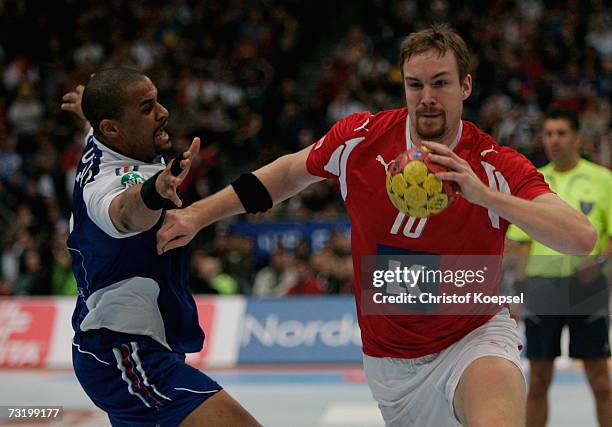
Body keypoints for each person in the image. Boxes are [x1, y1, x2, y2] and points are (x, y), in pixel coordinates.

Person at [157, 26, 596, 427]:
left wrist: (485, 196)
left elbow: (581, 237)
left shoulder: (493, 163)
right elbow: (287, 174)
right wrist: (199, 214)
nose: (426, 97)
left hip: (474, 338)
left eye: (440, 83)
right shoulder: (361, 139)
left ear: (465, 86)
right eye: (415, 84)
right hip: (390, 363)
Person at [62, 68, 260, 427]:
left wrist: (85, 111)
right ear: (113, 128)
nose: (163, 112)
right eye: (147, 107)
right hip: (126, 355)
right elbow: (125, 212)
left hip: (130, 351)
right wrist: (155, 191)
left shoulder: (106, 138)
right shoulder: (105, 186)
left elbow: (94, 128)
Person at [506, 108, 611, 427]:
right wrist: (518, 290)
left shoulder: (603, 180)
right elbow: (520, 241)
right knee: (537, 379)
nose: (554, 140)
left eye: (561, 133)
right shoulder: (533, 180)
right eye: (548, 133)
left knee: (600, 379)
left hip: (587, 289)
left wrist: (600, 262)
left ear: (577, 138)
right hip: (543, 287)